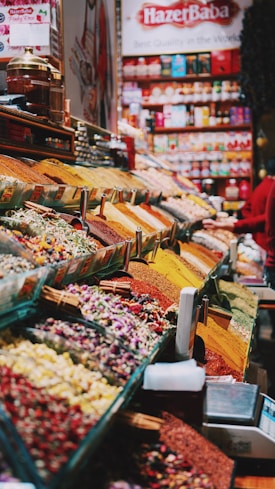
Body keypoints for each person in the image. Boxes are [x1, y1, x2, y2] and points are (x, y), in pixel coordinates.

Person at [203, 157, 275, 253]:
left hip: (261, 240)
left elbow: (246, 209)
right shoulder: (271, 188)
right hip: (267, 243)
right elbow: (265, 219)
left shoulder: (263, 184)